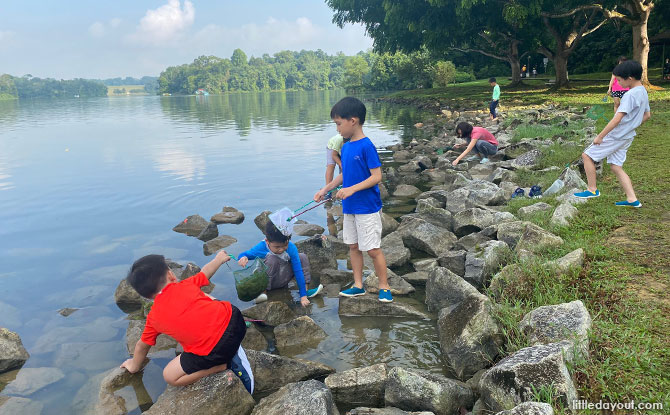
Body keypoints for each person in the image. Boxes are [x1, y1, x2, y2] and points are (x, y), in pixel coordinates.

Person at [121, 251, 254, 392]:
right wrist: (219, 259)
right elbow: (206, 272)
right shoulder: (186, 284)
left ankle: (223, 366)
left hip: (215, 354)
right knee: (202, 295)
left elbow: (142, 346)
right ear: (171, 275)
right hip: (237, 322)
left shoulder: (153, 318)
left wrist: (134, 366)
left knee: (169, 376)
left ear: (146, 296)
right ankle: (231, 346)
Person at [314, 96, 393, 303]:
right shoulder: (346, 147)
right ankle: (358, 285)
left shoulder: (366, 146)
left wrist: (350, 190)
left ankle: (384, 286)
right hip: (350, 207)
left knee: (373, 249)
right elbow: (344, 175)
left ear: (353, 121)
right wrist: (327, 189)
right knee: (353, 246)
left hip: (367, 207)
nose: (337, 129)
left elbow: (376, 176)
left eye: (339, 124)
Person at [574, 60, 651, 207]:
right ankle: (632, 199)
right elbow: (647, 115)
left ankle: (592, 190)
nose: (618, 83)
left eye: (619, 80)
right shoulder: (643, 92)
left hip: (617, 136)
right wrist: (632, 126)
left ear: (629, 78)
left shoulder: (630, 95)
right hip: (628, 136)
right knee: (616, 166)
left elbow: (616, 120)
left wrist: (600, 136)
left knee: (587, 155)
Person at [237, 220, 323, 306]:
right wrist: (243, 258)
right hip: (266, 282)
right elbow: (244, 254)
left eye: (285, 245)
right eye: (277, 247)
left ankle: (305, 291)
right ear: (267, 241)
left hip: (282, 278)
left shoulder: (291, 248)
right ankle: (262, 293)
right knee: (272, 258)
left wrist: (303, 296)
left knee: (302, 257)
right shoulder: (262, 247)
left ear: (288, 239)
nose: (281, 249)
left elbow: (298, 270)